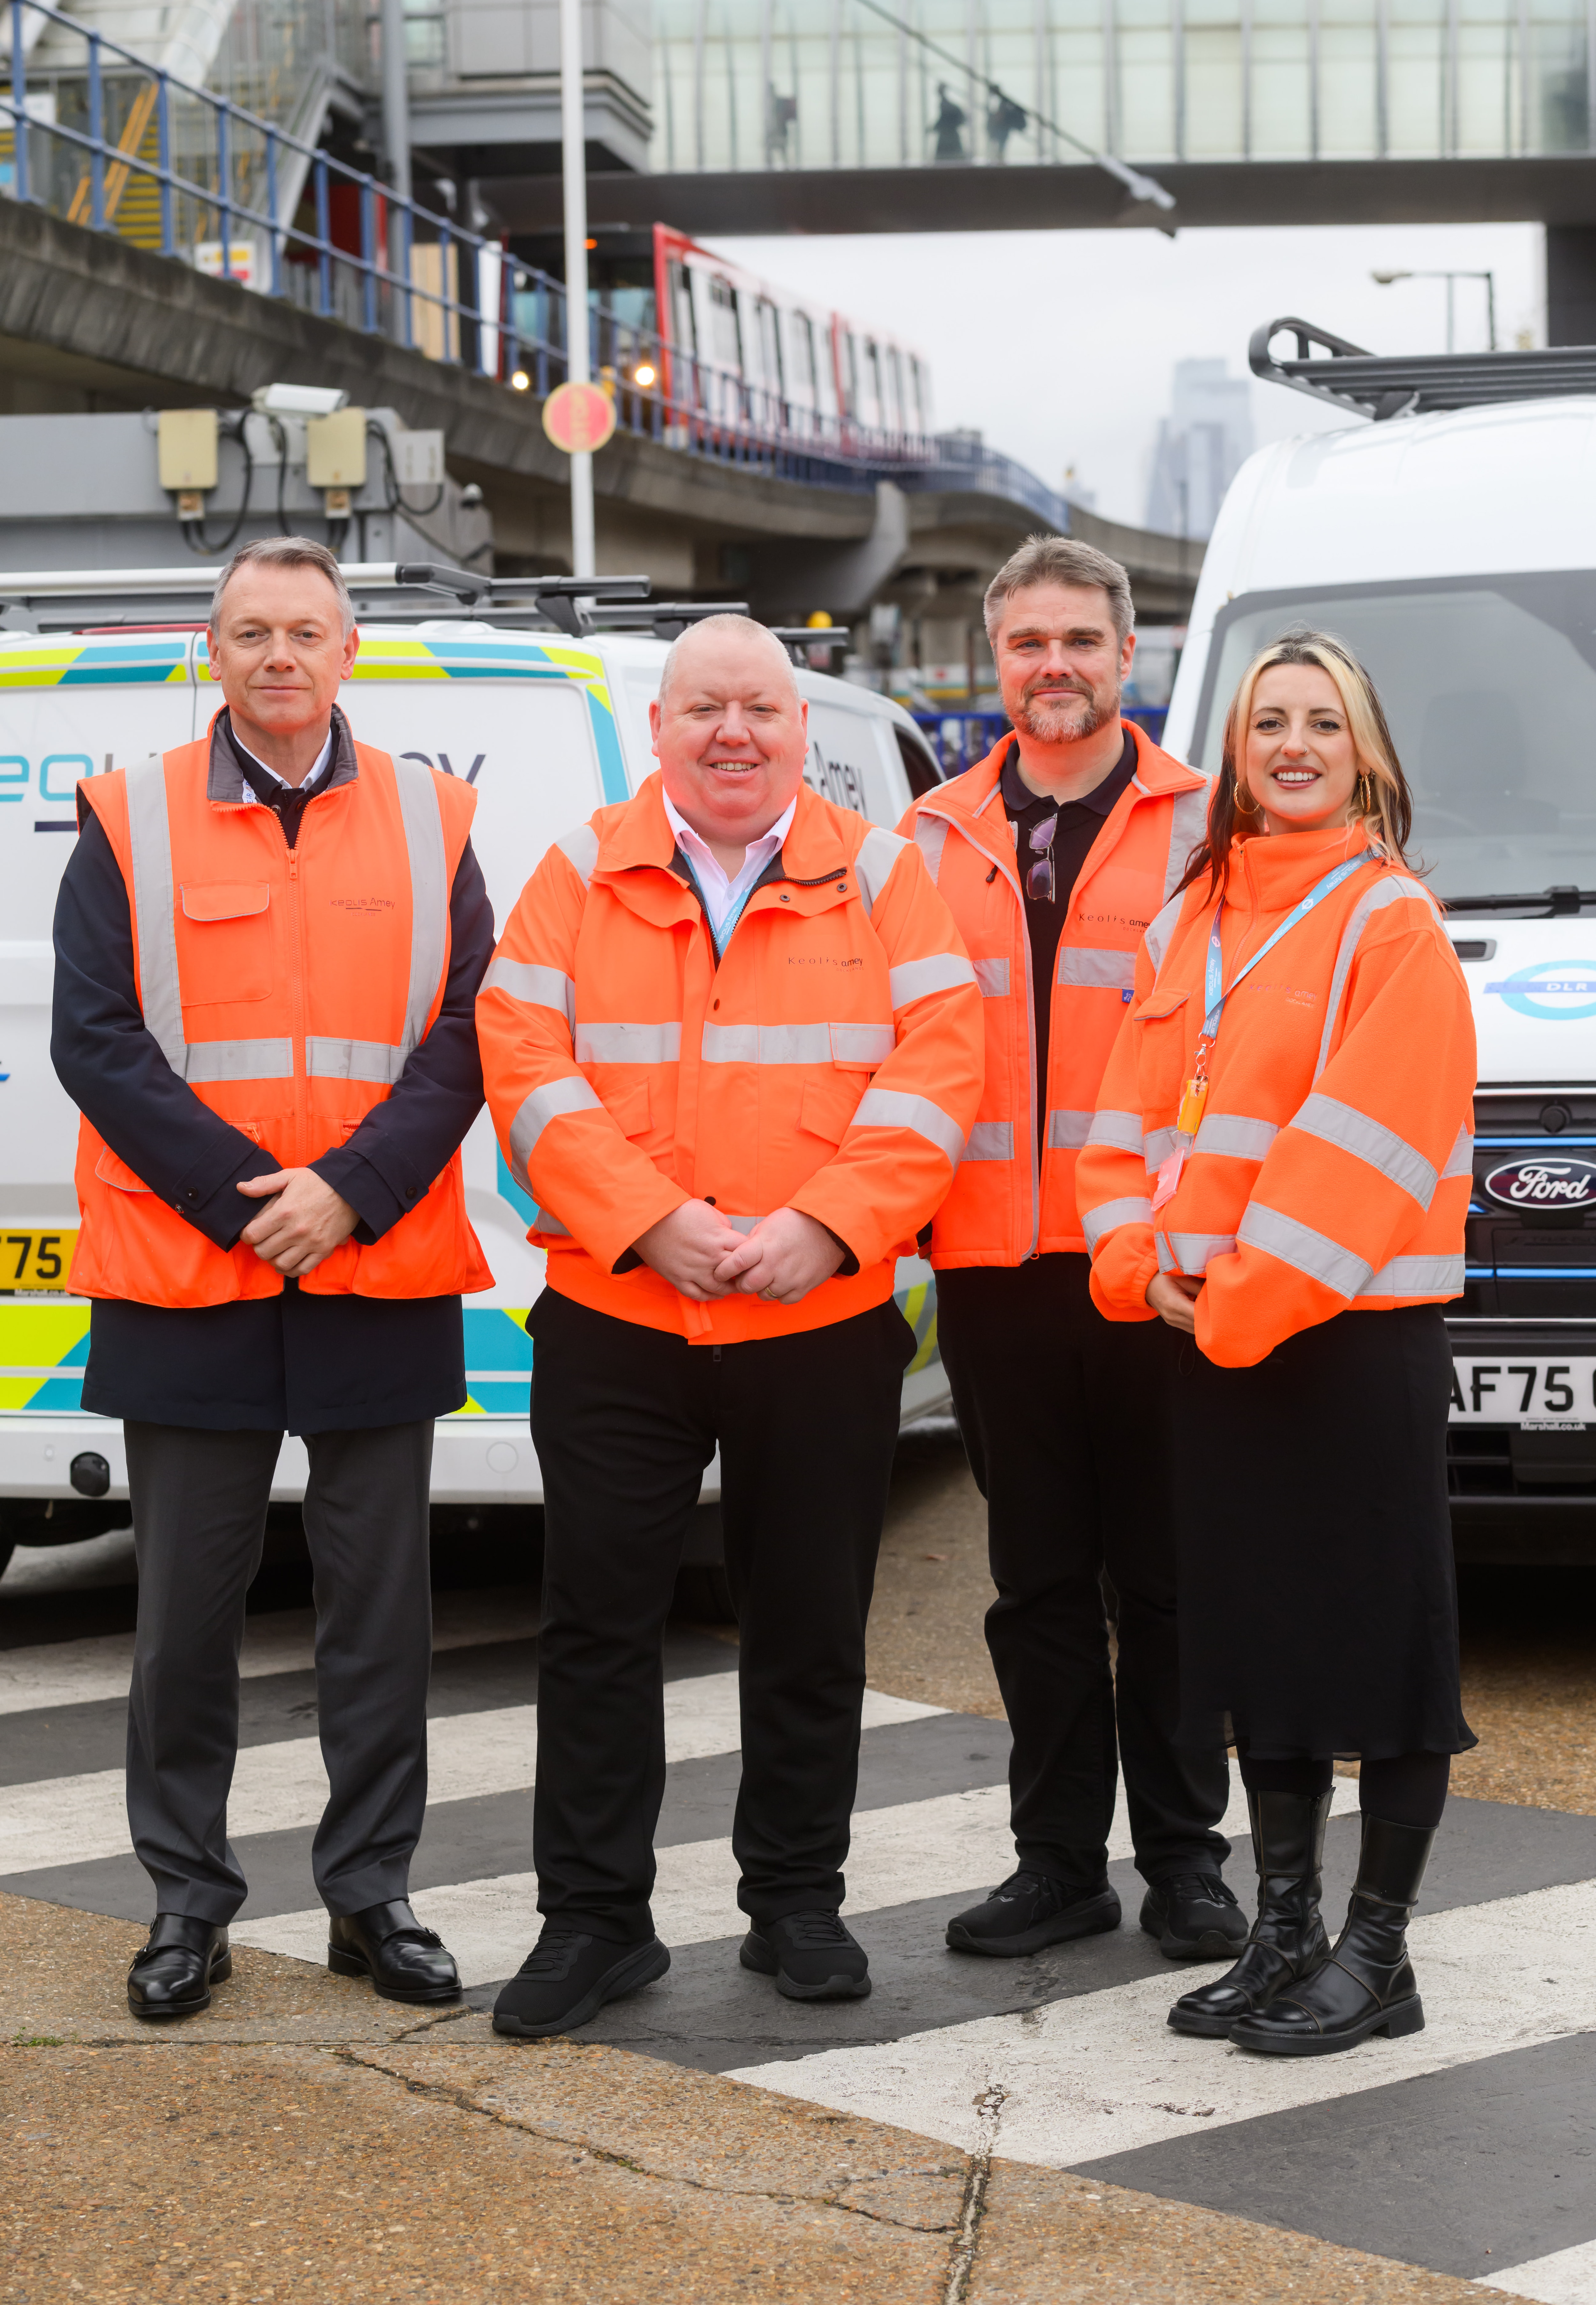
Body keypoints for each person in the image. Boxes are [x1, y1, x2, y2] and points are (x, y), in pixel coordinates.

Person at [475, 613, 984, 2038]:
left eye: (758, 707)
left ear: (799, 727)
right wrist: (650, 1219)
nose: (733, 734)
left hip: (815, 1315)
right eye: (704, 708)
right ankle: (592, 1923)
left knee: (809, 1624)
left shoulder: (884, 879)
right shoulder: (578, 871)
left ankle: (794, 1905)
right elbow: (519, 1061)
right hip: (615, 1310)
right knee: (594, 1627)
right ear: (660, 727)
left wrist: (823, 1226)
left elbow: (941, 1073)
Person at [50, 535, 494, 2022]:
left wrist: (349, 1192)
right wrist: (260, 1204)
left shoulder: (435, 818)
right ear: (215, 650)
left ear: (350, 649)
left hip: (373, 1267)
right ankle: (187, 1905)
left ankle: (373, 1896)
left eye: (307, 630)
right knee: (183, 1621)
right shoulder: (131, 818)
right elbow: (96, 1040)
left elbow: (470, 1032)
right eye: (252, 632)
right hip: (195, 1275)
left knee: (381, 1622)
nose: (280, 656)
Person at [1078, 629, 1476, 2055]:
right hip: (1212, 1336)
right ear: (1234, 757)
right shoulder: (1192, 918)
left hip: (1341, 1343)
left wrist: (1231, 1298)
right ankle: (1286, 1929)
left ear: (1364, 753)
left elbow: (1362, 1154)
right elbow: (1120, 1122)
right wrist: (1132, 1263)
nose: (1292, 745)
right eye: (1267, 726)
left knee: (1380, 1650)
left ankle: (1377, 1956)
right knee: (1266, 1646)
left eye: (1321, 722)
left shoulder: (1390, 921)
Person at [900, 534, 1242, 1967]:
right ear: (997, 661)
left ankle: (1182, 1861)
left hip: (1151, 1266)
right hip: (991, 1265)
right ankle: (1056, 1864)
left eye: (1079, 643)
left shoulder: (1207, 823)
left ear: (1124, 657)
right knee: (1034, 1580)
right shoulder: (928, 836)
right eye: (1027, 643)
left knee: (1165, 1579)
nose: (1054, 668)